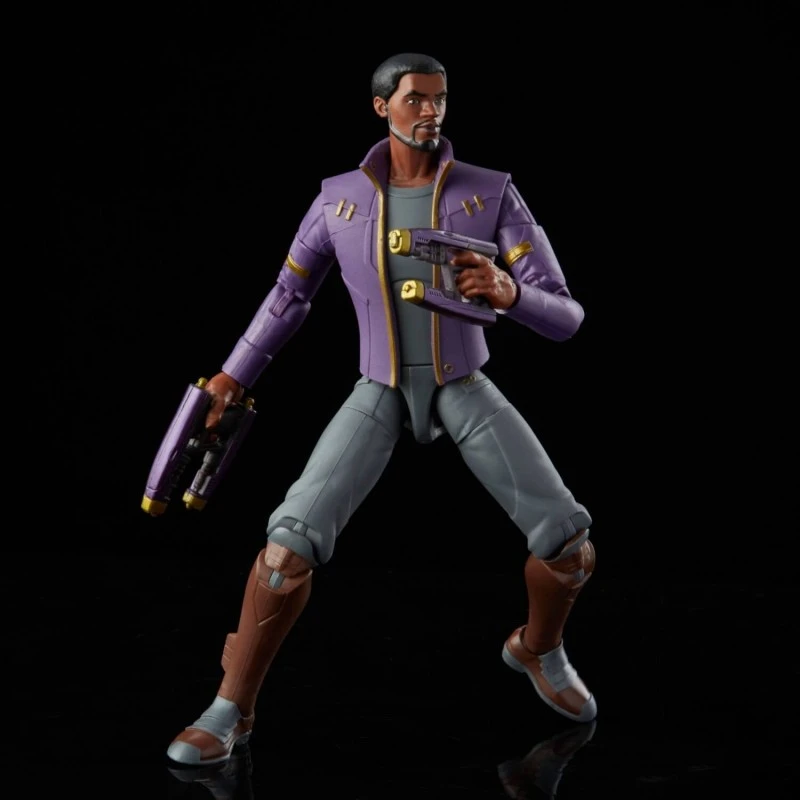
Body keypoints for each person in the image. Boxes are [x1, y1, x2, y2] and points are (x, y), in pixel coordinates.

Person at [165, 53, 597, 767]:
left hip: (463, 385)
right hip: (380, 390)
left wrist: (511, 292)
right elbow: (288, 296)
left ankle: (538, 647)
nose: (431, 111)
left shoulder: (490, 192)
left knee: (571, 547)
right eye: (416, 99)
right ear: (381, 107)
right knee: (284, 552)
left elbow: (567, 315)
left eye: (440, 99)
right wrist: (232, 376)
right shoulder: (337, 200)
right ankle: (231, 707)